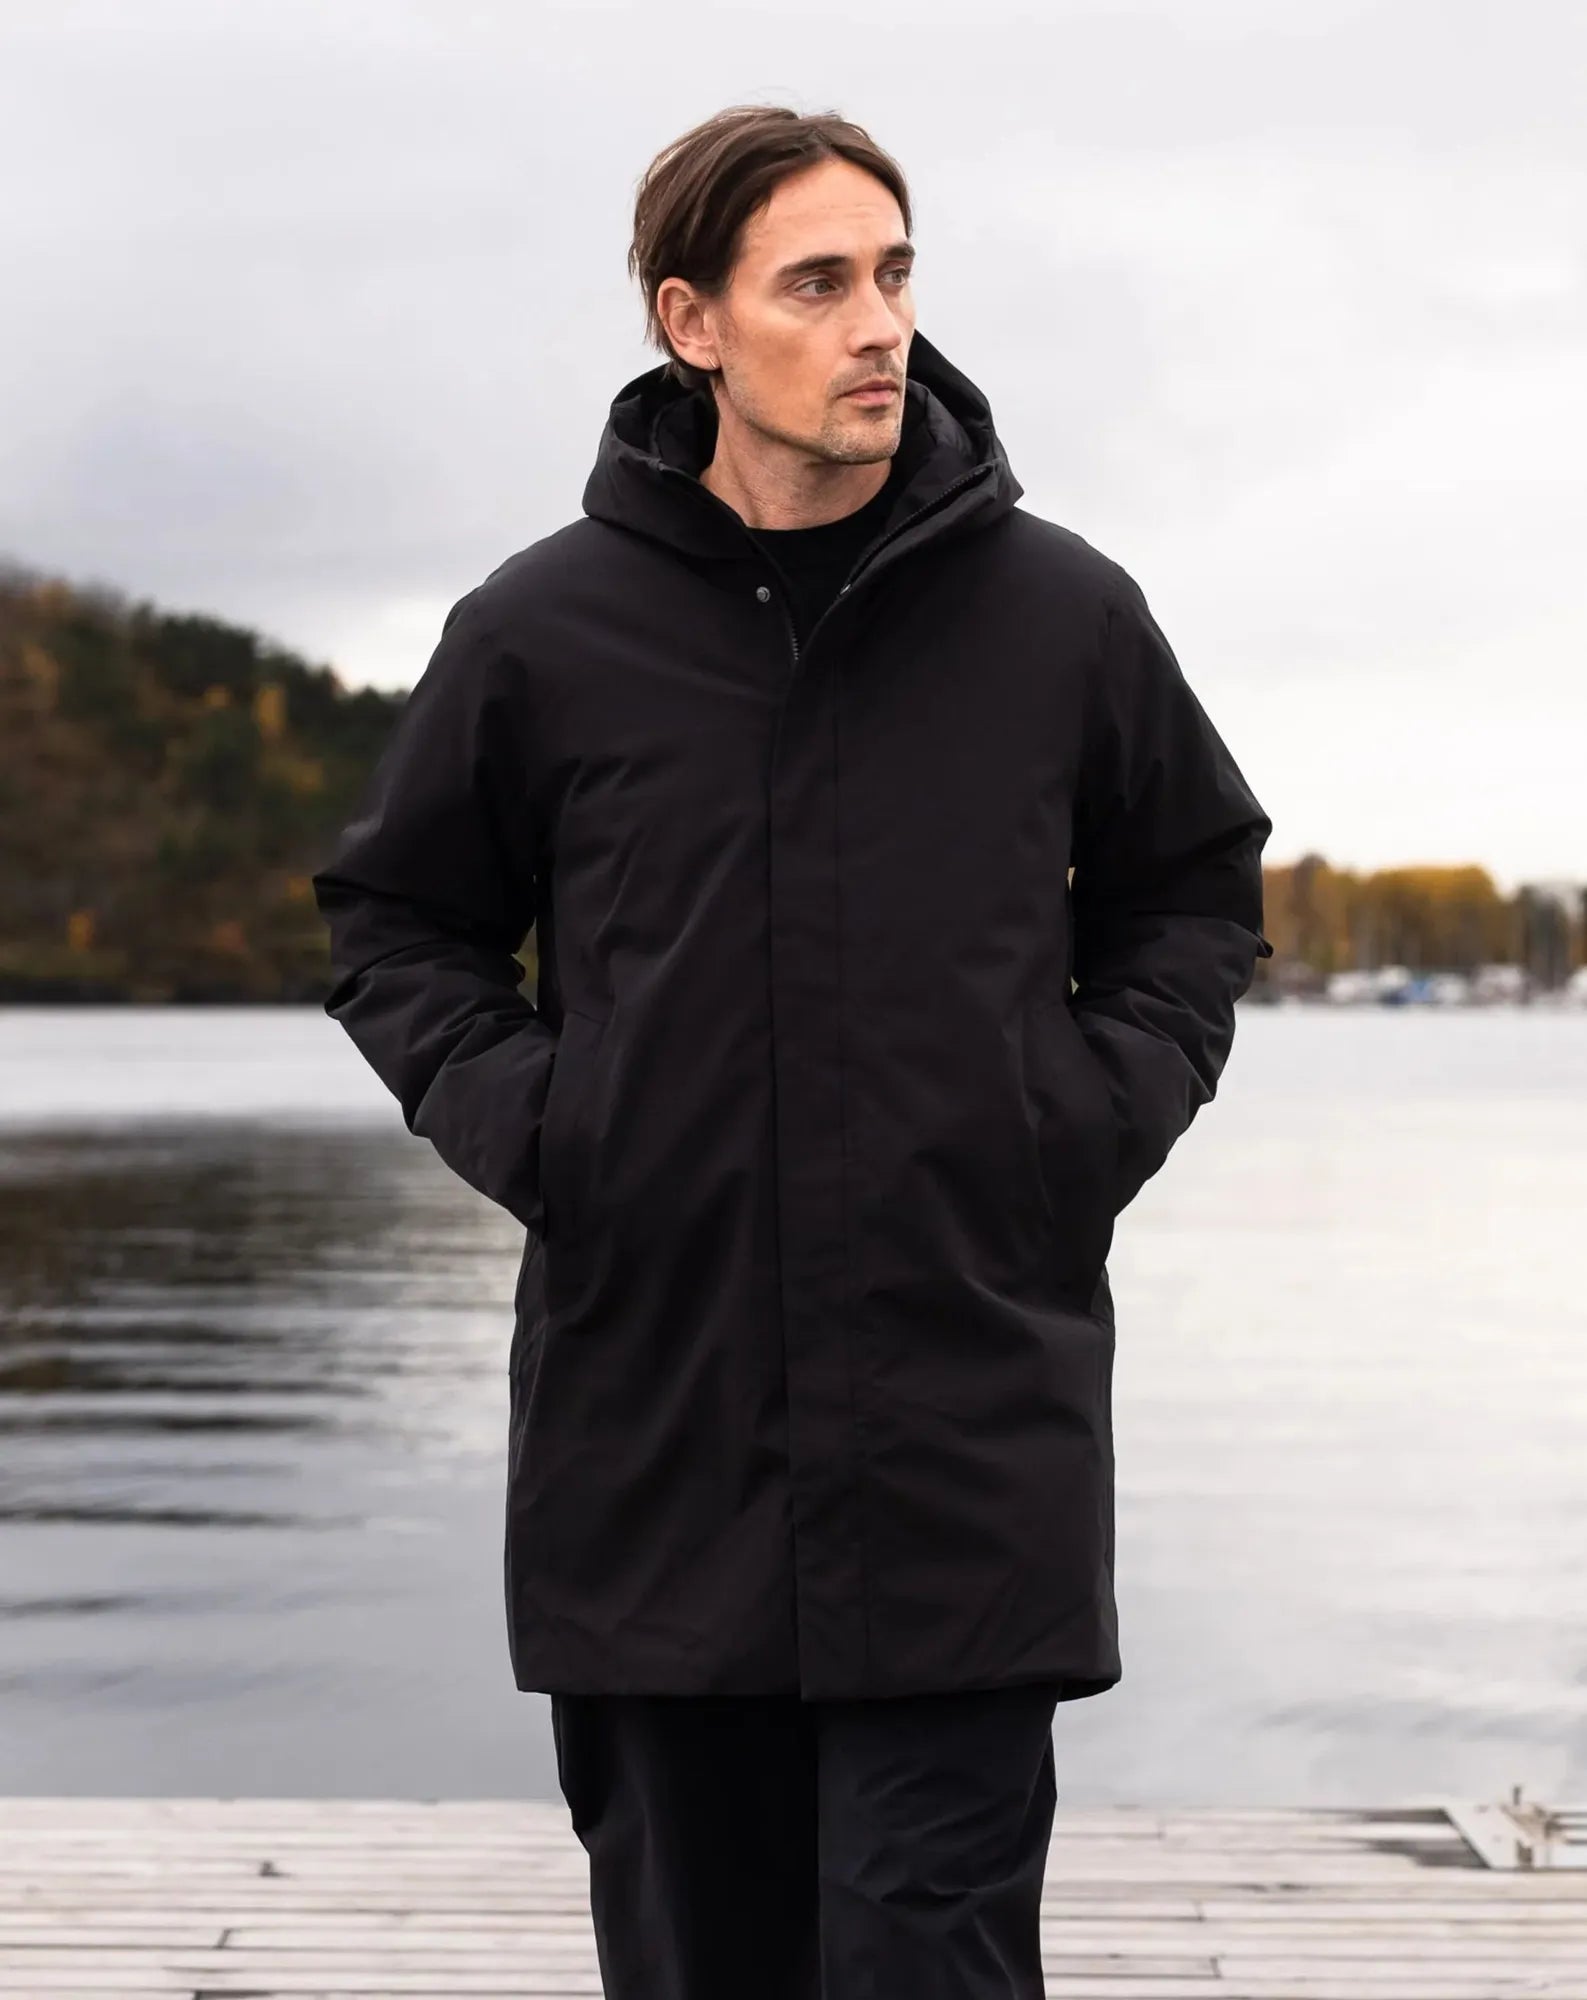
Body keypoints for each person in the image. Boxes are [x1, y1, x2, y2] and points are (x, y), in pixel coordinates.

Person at [312, 102, 1274, 2000]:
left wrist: (1079, 1118)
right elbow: (397, 923)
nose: (877, 325)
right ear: (693, 323)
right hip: (657, 1456)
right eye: (817, 284)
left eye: (895, 275)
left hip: (965, 1455)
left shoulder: (1061, 617)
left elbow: (1193, 889)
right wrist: (557, 1130)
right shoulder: (542, 632)